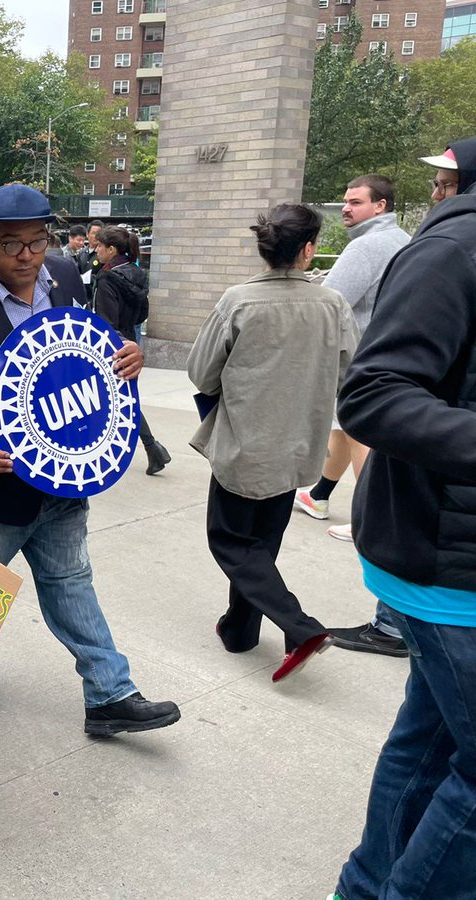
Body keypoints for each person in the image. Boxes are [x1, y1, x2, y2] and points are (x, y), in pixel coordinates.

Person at [0, 183, 180, 733]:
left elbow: (85, 349)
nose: (26, 256)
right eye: (12, 244)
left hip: (65, 475)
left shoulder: (66, 276)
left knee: (72, 582)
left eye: (37, 242)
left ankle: (110, 695)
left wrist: (124, 353)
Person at [326, 135, 476, 900]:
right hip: (443, 557)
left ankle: (364, 887)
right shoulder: (447, 249)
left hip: (446, 546)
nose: (439, 191)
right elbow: (373, 389)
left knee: (431, 742)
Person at [188, 204, 358, 681]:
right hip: (299, 443)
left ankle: (300, 626)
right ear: (307, 250)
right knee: (261, 544)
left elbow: (201, 373)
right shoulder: (333, 304)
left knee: (230, 542)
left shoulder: (238, 301)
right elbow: (350, 369)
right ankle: (239, 630)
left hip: (246, 443)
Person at [294, 176, 410, 543]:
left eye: (356, 202)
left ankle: (371, 520)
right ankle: (319, 495)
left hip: (358, 353)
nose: (346, 207)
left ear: (381, 206)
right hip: (390, 348)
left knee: (359, 430)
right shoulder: (403, 240)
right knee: (343, 425)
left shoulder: (365, 247)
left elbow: (332, 300)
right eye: (345, 201)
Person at [92, 226, 169, 475]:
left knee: (114, 400)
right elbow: (143, 313)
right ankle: (152, 448)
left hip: (112, 344)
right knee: (122, 398)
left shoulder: (107, 278)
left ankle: (151, 446)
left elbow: (105, 320)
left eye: (100, 246)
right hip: (131, 340)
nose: (96, 250)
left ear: (111, 249)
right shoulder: (137, 274)